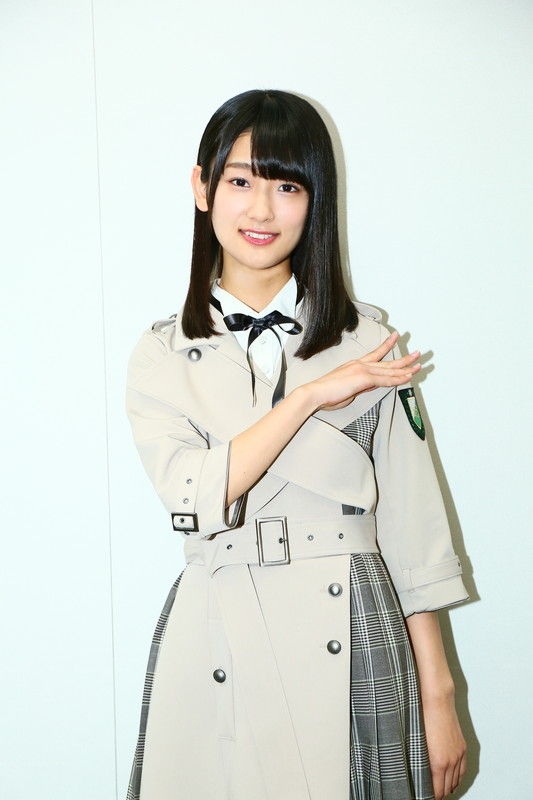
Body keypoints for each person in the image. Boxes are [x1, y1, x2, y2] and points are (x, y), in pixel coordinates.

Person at [124, 89, 470, 800]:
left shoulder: (370, 343)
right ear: (202, 188)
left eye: (287, 187)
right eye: (240, 182)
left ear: (316, 202)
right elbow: (195, 496)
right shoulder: (161, 354)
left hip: (353, 621)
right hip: (215, 624)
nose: (261, 210)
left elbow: (413, 529)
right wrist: (310, 398)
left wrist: (439, 696)